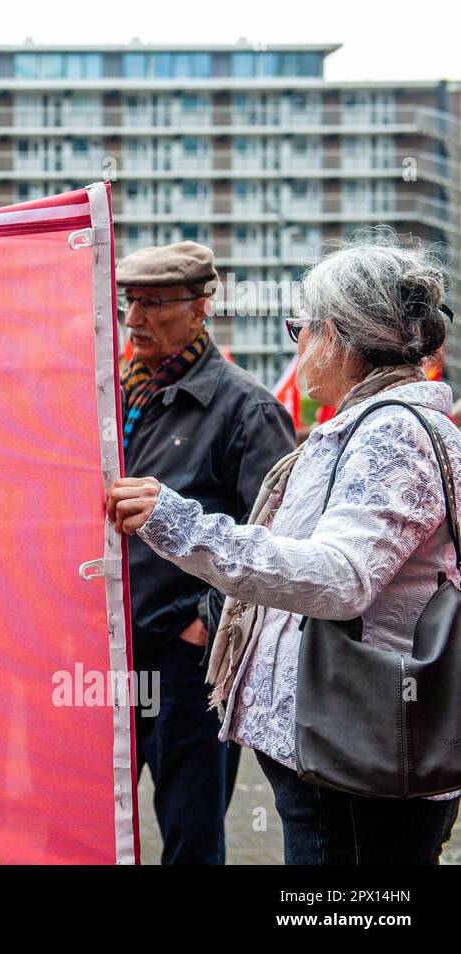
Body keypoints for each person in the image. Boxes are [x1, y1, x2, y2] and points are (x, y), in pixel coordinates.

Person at [108, 240, 460, 864]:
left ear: (342, 338)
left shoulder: (393, 433)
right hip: (341, 750)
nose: (298, 346)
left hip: (356, 756)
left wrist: (178, 522)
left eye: (302, 327)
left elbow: (338, 577)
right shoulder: (368, 426)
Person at [116, 241, 296, 864]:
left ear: (200, 310)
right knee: (89, 820)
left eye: (154, 304)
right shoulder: (113, 397)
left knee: (192, 837)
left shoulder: (247, 409)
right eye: (130, 303)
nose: (135, 319)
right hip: (108, 655)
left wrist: (207, 623)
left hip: (188, 664)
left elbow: (278, 541)